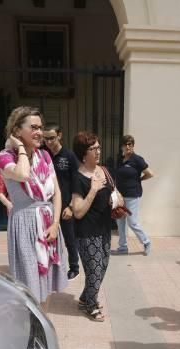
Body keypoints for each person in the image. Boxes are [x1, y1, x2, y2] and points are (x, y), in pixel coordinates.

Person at [0, 106, 67, 304]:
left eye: (40, 127)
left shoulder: (44, 155)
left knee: (47, 281)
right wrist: (19, 147)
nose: (39, 132)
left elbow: (57, 191)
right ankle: (33, 325)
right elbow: (22, 174)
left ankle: (43, 325)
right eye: (33, 127)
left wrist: (55, 224)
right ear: (17, 131)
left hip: (48, 221)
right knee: (29, 285)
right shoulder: (4, 157)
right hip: (25, 224)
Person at [70, 131, 118, 322]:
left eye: (98, 147)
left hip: (105, 229)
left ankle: (84, 299)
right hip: (87, 233)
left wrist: (117, 199)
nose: (98, 151)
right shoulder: (78, 177)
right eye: (93, 148)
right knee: (94, 271)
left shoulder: (103, 170)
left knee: (102, 268)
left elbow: (114, 192)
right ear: (83, 153)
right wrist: (93, 189)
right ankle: (90, 305)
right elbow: (78, 211)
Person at [43, 123, 81, 279]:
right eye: (46, 139)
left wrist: (71, 206)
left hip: (65, 206)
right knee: (49, 238)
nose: (49, 142)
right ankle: (52, 267)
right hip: (47, 206)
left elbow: (76, 182)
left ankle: (74, 267)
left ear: (60, 135)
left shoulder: (69, 156)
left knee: (69, 238)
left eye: (52, 138)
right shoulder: (43, 155)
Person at [114, 134, 154, 256]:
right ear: (121, 146)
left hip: (132, 195)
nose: (127, 146)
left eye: (130, 144)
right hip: (120, 195)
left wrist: (140, 180)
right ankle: (122, 247)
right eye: (125, 144)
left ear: (133, 146)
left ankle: (146, 242)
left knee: (132, 222)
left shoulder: (137, 159)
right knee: (120, 220)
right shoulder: (120, 160)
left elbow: (150, 173)